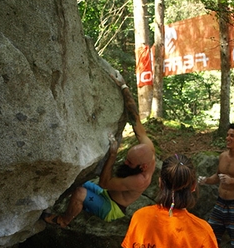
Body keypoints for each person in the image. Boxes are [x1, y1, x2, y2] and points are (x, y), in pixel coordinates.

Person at [43, 76, 156, 228]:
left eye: (129, 162)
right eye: (127, 158)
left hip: (112, 207)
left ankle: (63, 221)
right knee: (79, 181)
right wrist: (124, 87)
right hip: (107, 194)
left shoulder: (140, 180)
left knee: (80, 193)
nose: (125, 162)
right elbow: (135, 119)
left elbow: (104, 183)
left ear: (142, 167)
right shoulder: (147, 148)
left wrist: (113, 154)